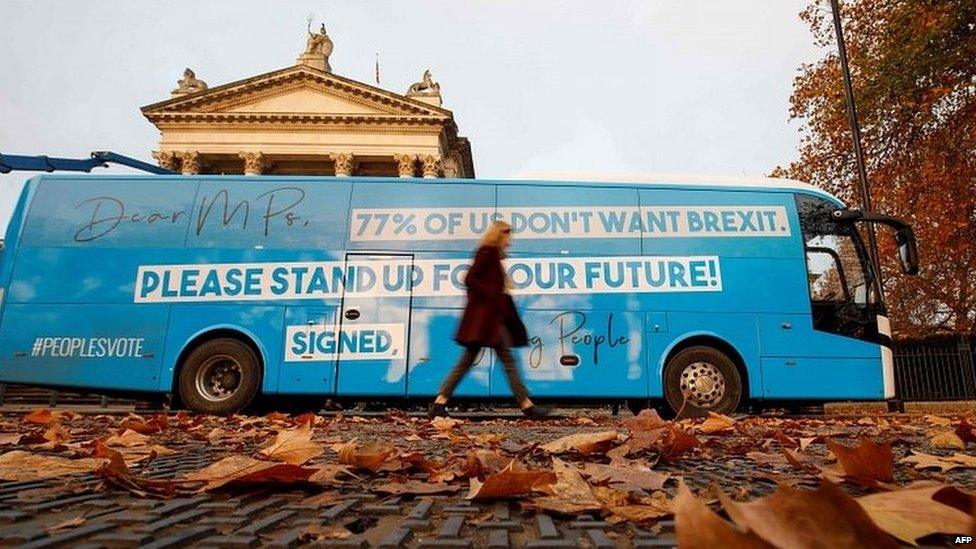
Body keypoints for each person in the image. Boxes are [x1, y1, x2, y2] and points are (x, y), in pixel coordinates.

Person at [429, 221, 552, 419]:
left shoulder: (493, 256)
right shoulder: (487, 253)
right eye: (507, 236)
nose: (509, 241)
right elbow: (469, 279)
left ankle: (440, 402)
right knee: (505, 362)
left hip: (489, 322)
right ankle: (527, 406)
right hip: (487, 322)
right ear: (498, 236)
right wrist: (492, 296)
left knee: (472, 362)